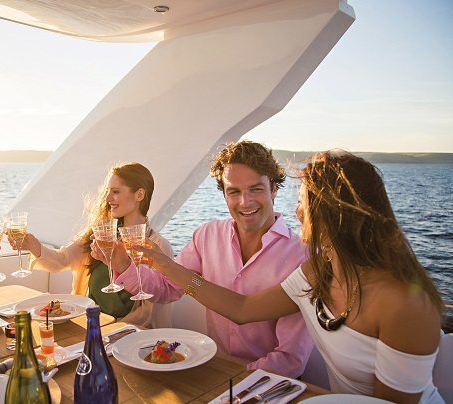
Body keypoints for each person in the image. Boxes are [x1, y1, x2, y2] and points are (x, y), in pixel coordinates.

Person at [136, 150, 444, 403]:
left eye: (302, 202)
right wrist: (165, 266)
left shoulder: (406, 304)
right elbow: (241, 309)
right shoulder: (317, 272)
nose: (297, 213)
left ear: (334, 212)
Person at [108, 141, 313, 378]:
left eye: (255, 189)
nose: (245, 201)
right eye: (234, 191)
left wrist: (234, 379)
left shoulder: (302, 254)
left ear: (274, 189)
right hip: (215, 370)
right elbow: (167, 289)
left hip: (269, 382)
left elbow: (290, 359)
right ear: (224, 194)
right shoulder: (207, 235)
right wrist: (124, 266)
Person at [12, 162, 173, 327]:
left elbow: (149, 313)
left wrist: (109, 330)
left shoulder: (158, 247)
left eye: (116, 192)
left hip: (129, 334)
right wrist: (34, 246)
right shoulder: (100, 235)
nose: (108, 199)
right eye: (108, 192)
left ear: (139, 195)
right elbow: (62, 260)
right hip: (89, 324)